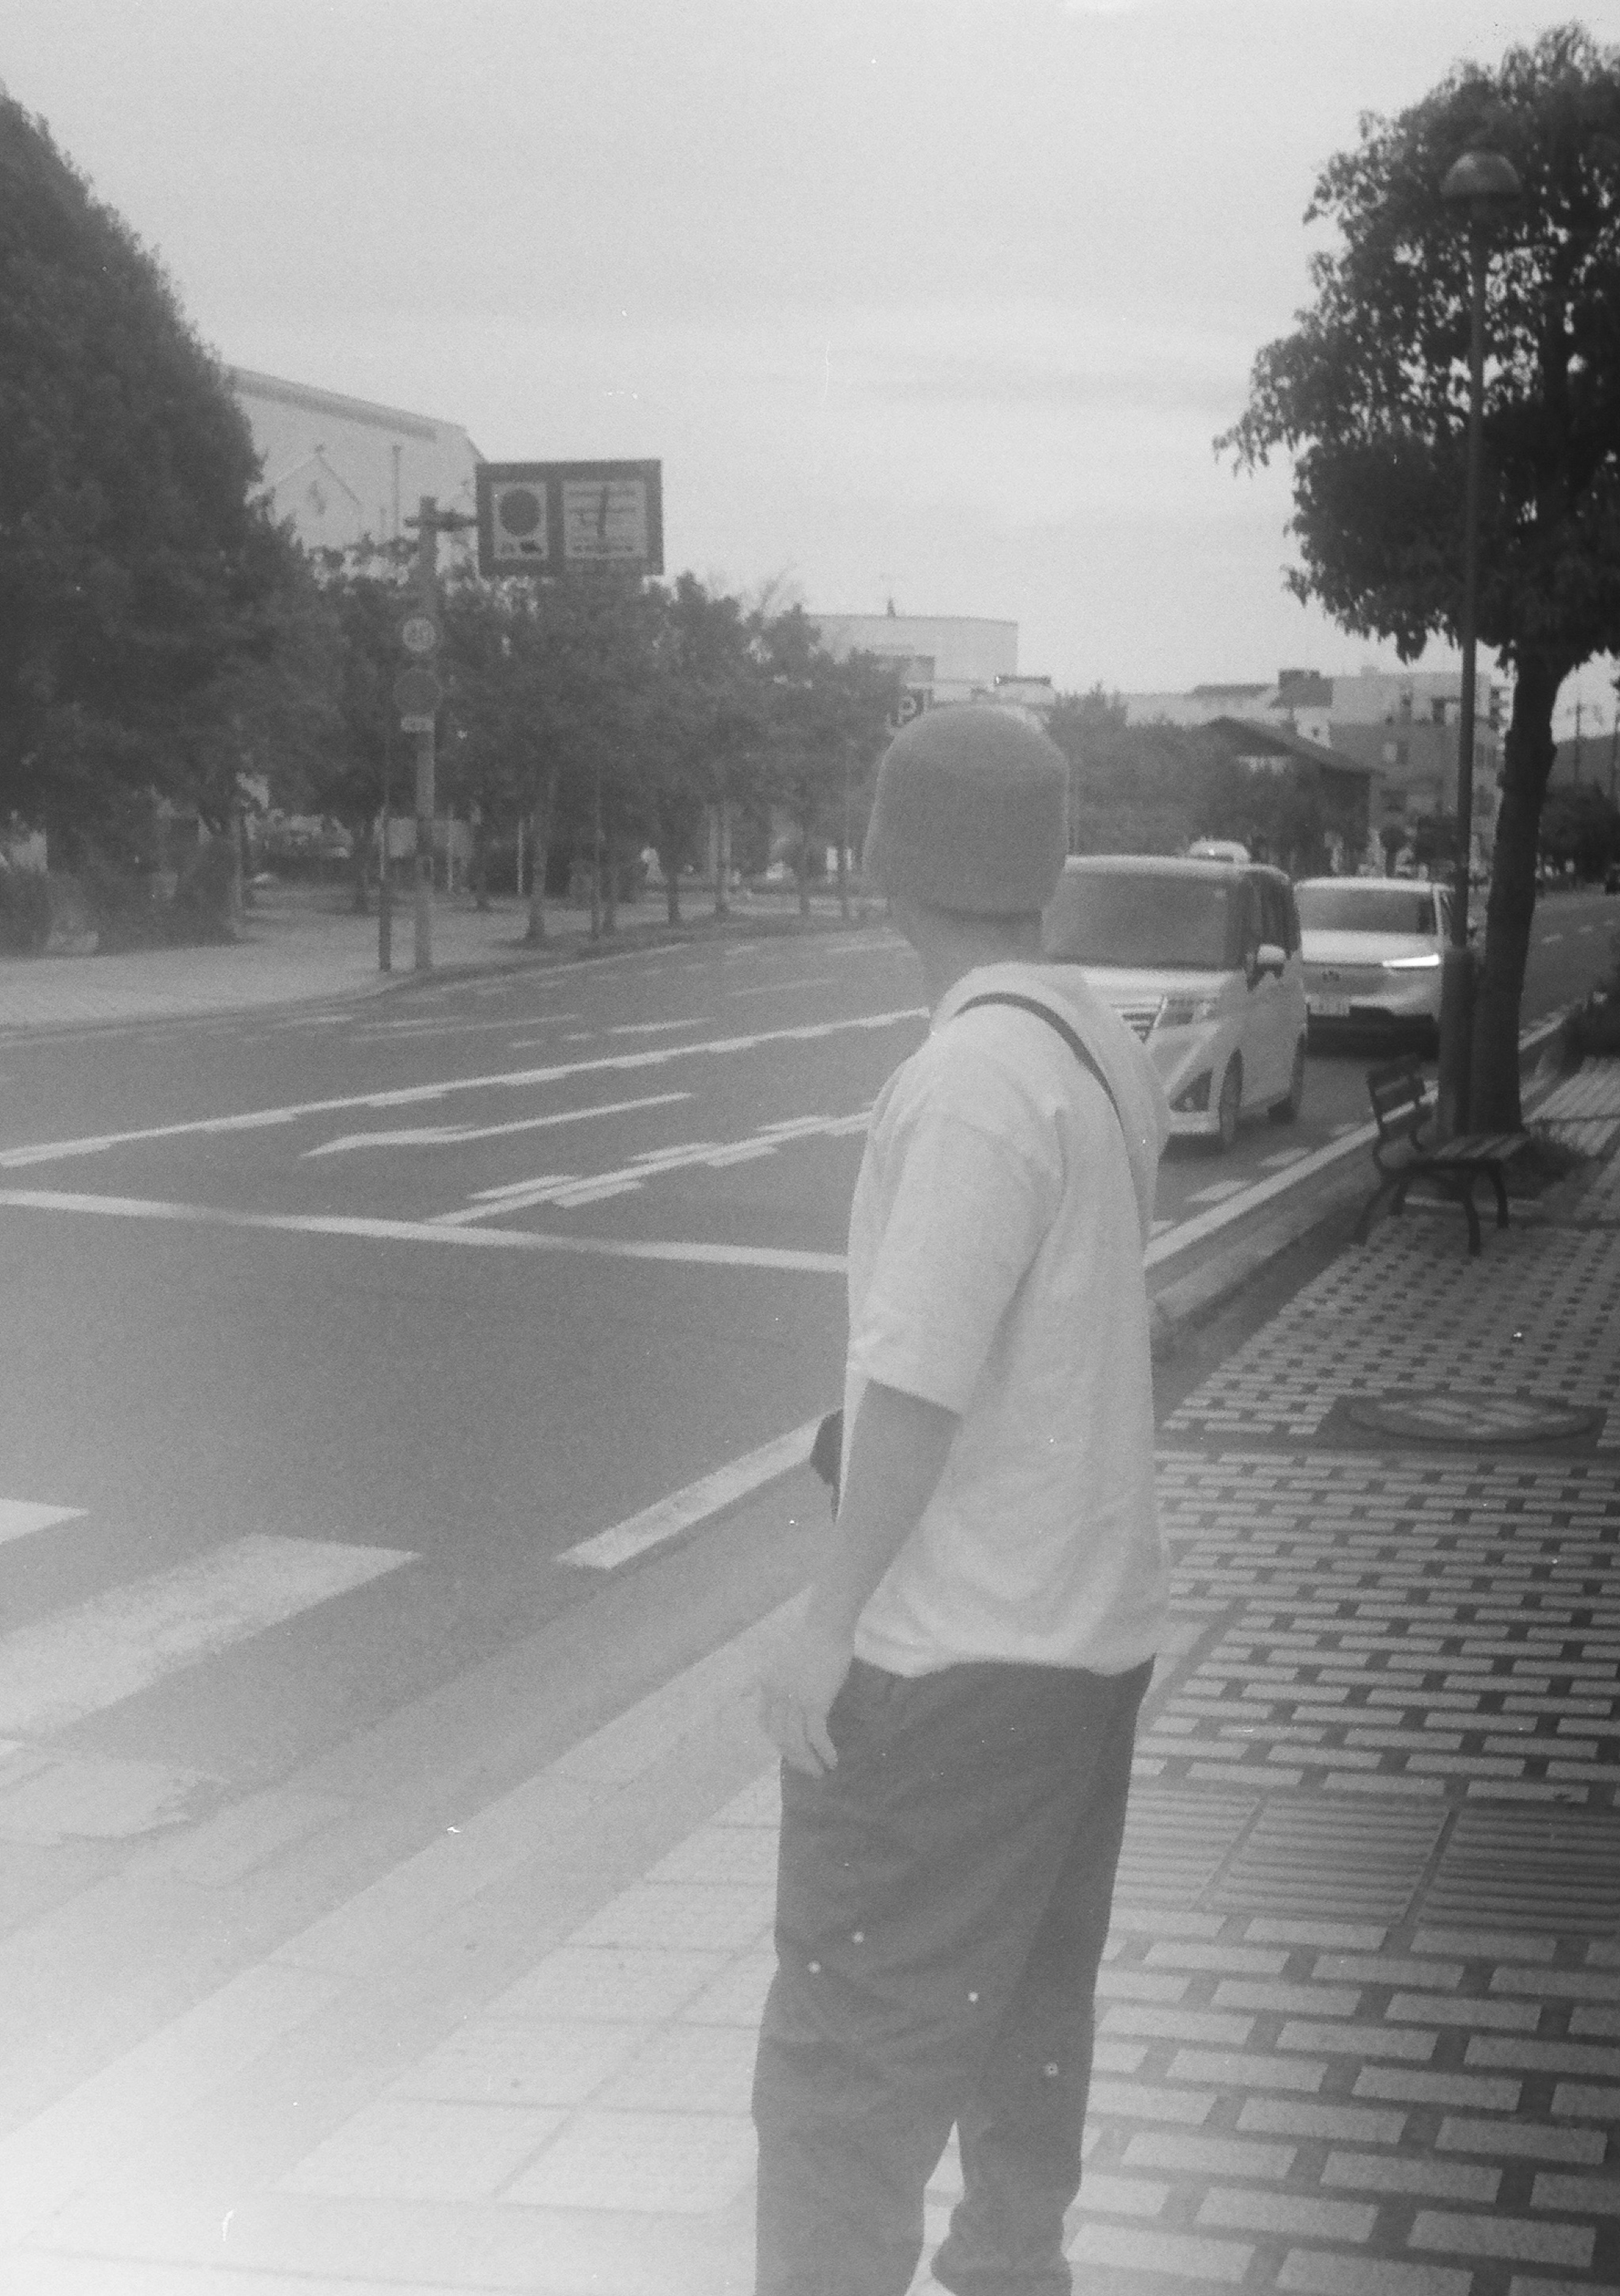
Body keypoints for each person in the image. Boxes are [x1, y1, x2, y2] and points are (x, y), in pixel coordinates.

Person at [752, 703, 1172, 2296]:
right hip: (1084, 1648)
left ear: (885, 861)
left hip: (954, 1669)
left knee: (843, 2093)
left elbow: (919, 1383)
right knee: (1022, 2067)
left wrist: (823, 1621)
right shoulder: (1089, 1047)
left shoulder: (972, 1078)